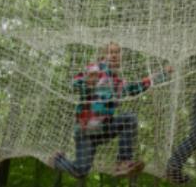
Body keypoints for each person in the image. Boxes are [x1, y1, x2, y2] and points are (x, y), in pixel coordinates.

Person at [49, 42, 172, 178]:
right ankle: (57, 160)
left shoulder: (118, 83)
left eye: (117, 53)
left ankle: (123, 163)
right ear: (103, 55)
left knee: (129, 119)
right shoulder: (95, 69)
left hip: (103, 129)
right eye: (111, 52)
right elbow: (75, 82)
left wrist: (163, 74)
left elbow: (136, 87)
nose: (114, 55)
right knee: (80, 171)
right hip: (85, 131)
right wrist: (87, 83)